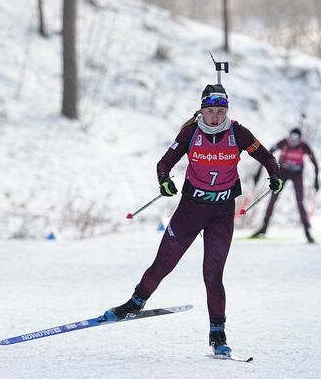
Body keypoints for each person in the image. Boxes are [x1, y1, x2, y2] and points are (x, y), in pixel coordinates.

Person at [102, 84, 283, 356]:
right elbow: (164, 163)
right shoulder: (191, 132)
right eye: (210, 111)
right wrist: (164, 182)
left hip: (221, 213)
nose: (215, 117)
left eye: (221, 111)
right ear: (202, 110)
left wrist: (275, 175)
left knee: (213, 275)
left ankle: (218, 334)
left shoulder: (238, 132)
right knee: (163, 264)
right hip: (191, 209)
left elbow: (267, 157)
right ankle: (135, 302)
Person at [250, 128, 319, 243]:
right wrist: (258, 172)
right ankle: (264, 227)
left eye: (296, 139)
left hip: (297, 174)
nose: (293, 141)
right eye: (291, 138)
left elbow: (315, 162)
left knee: (300, 201)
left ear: (300, 139)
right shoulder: (283, 143)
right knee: (273, 199)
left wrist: (316, 180)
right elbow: (266, 155)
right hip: (283, 173)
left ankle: (307, 230)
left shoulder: (304, 146)